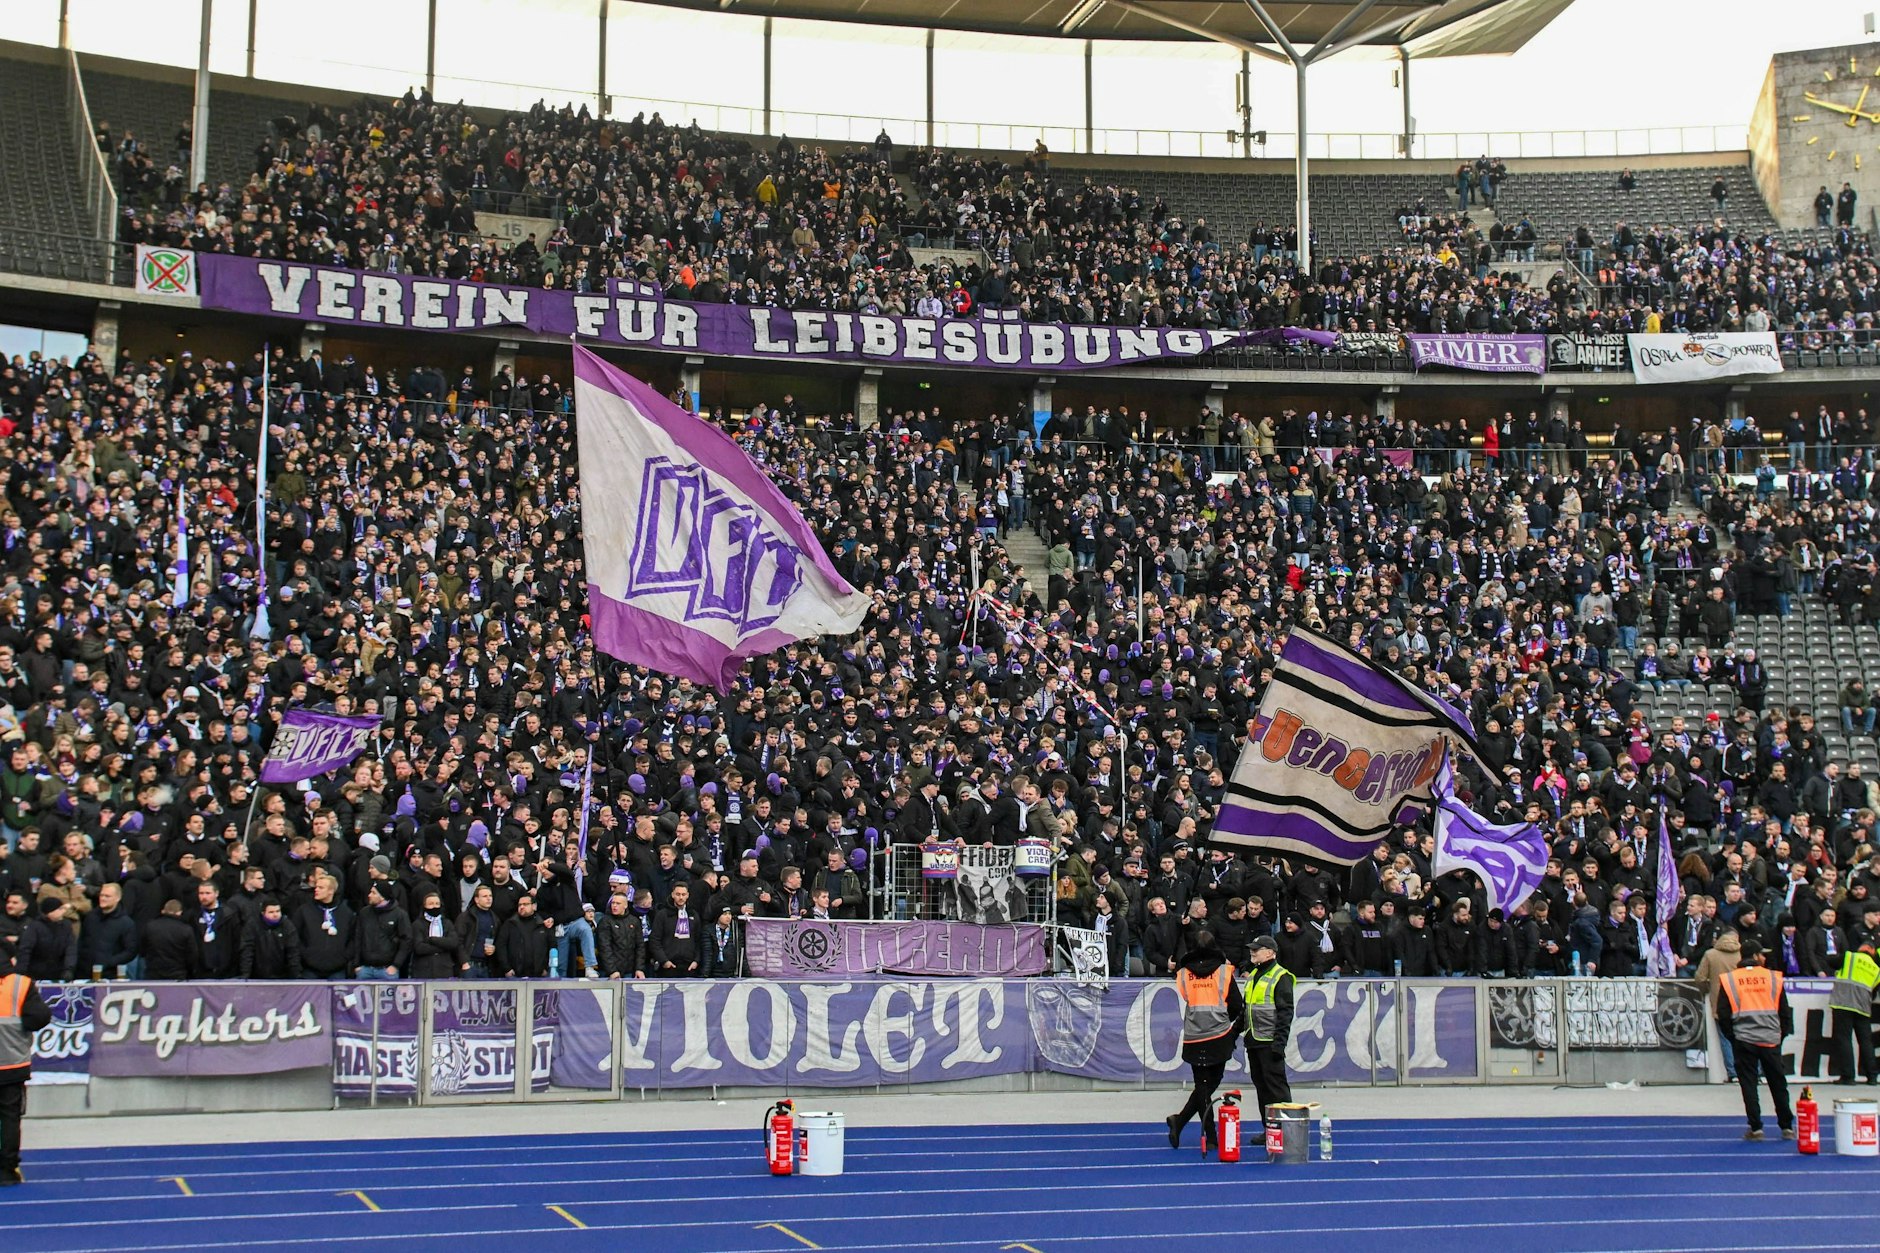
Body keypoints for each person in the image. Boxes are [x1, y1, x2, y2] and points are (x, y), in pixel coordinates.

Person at [1165, 929, 1243, 1152]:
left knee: (1203, 1086)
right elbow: (1237, 1004)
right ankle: (1210, 1137)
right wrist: (1222, 1019)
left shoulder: (1183, 974)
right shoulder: (1224, 973)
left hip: (1194, 1034)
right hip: (1218, 1034)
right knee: (1210, 1084)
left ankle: (1180, 1121)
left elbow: (1187, 996)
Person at [1716, 939, 1794, 1140]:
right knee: (1778, 1082)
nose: (1765, 957)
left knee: (1749, 1084)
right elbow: (1784, 1011)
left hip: (1744, 1038)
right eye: (1762, 954)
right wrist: (1780, 1034)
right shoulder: (1772, 978)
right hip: (1770, 1037)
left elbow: (1723, 1013)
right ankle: (1787, 1127)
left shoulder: (1730, 979)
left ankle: (1756, 1127)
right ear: (1756, 956)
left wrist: (1733, 1037)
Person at [0, 967, 53, 1185]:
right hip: (12, 1063)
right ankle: (6, 1169)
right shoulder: (20, 983)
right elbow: (40, 1017)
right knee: (10, 1116)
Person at [1242, 932, 1296, 1121]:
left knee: (1277, 1089)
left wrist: (1279, 1044)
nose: (1253, 953)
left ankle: (1286, 1129)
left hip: (1270, 1042)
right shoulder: (1254, 974)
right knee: (1262, 1088)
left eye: (1257, 950)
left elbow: (1285, 1013)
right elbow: (1247, 1009)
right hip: (1254, 1040)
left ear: (1270, 953)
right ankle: (1270, 1129)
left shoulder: (1280, 976)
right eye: (1252, 950)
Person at [1828, 943, 1879, 1085]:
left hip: (1843, 1003)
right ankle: (1872, 1077)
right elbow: (1873, 992)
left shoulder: (1850, 956)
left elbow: (1831, 962)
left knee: (1844, 1039)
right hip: (1863, 1007)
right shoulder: (1876, 969)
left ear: (1863, 949)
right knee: (1865, 1041)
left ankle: (1848, 1076)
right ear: (1872, 952)